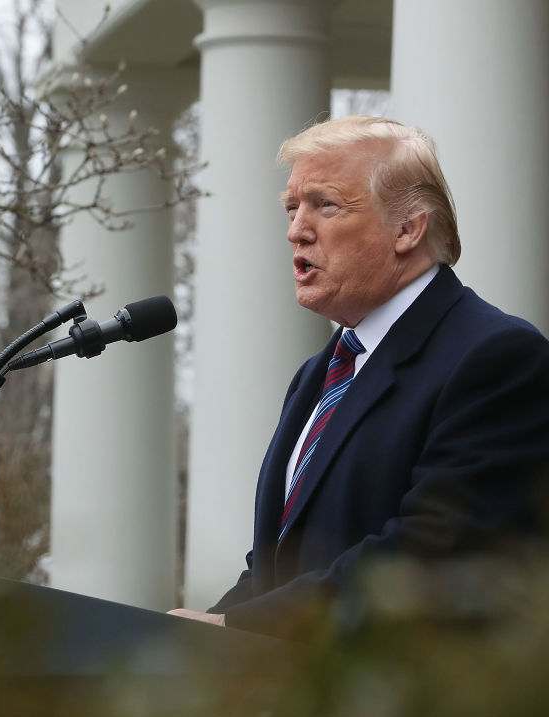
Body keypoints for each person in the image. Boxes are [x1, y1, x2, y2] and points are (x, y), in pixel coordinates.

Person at [170, 115, 549, 638]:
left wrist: (236, 626)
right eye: (291, 206)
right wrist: (184, 639)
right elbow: (276, 564)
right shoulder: (318, 375)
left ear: (408, 228)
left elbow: (428, 557)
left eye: (325, 205)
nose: (296, 230)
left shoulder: (496, 358)